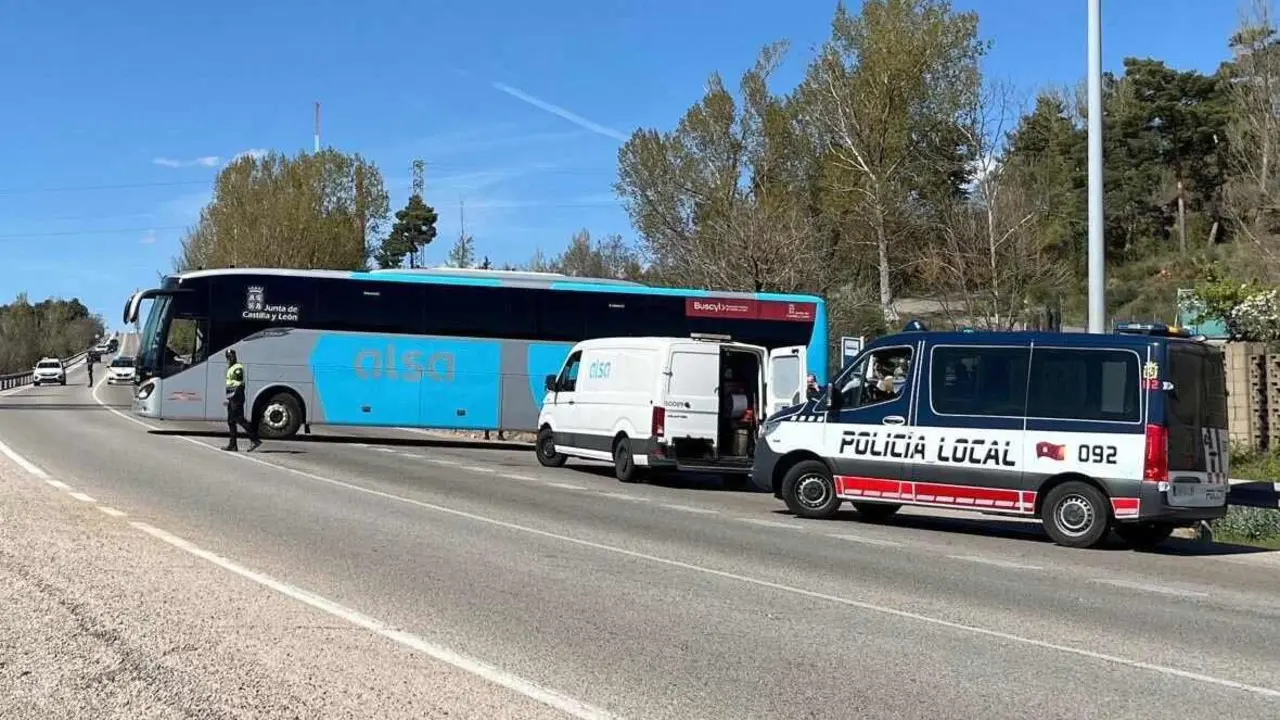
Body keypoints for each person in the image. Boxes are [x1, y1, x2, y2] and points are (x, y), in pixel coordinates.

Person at [223, 349, 261, 452]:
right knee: (231, 421)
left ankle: (255, 439)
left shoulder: (237, 367)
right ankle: (233, 445)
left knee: (239, 419)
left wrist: (233, 395)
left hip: (237, 395)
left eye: (232, 356)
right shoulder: (230, 367)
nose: (230, 358)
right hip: (232, 396)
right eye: (229, 357)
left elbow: (239, 381)